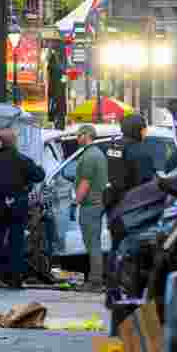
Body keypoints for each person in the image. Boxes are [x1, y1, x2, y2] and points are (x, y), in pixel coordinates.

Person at [0, 127, 45, 290]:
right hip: (17, 206)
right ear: (14, 142)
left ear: (0, 142)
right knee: (16, 244)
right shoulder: (22, 159)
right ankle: (15, 281)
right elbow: (39, 175)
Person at [73, 125, 109, 292]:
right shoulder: (98, 153)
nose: (76, 138)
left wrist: (76, 202)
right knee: (94, 242)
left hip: (90, 204)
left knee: (92, 243)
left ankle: (95, 281)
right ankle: (96, 279)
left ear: (87, 135)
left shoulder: (88, 156)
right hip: (98, 202)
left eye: (79, 135)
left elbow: (85, 182)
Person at [119, 112, 159, 186]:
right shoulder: (140, 152)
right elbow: (147, 183)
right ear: (138, 130)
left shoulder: (113, 146)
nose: (146, 132)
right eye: (144, 129)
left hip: (113, 194)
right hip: (134, 195)